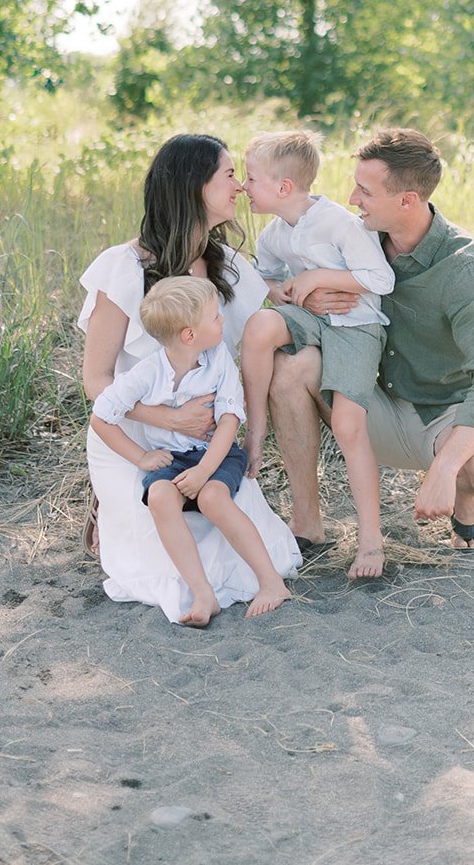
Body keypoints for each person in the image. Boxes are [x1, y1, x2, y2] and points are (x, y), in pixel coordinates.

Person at [79, 133, 300, 623]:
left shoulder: (229, 267)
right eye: (229, 175)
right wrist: (166, 419)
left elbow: (255, 345)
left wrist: (251, 431)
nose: (240, 186)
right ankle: (108, 505)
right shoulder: (124, 267)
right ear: (193, 186)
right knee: (164, 573)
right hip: (135, 434)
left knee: (256, 552)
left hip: (206, 439)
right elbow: (96, 379)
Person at [268, 127, 474, 554]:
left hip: (442, 416)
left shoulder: (465, 266)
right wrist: (306, 298)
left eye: (365, 191)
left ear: (407, 200)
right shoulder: (350, 238)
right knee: (291, 365)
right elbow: (286, 285)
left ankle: (465, 492)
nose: (352, 199)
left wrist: (445, 467)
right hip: (371, 405)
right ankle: (307, 521)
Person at [91, 276, 291, 625]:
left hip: (217, 453)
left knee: (213, 498)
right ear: (189, 335)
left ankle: (271, 582)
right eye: (215, 317)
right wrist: (141, 457)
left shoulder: (219, 359)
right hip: (173, 459)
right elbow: (101, 417)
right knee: (159, 497)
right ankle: (202, 592)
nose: (222, 320)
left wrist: (203, 471)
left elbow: (229, 421)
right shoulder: (148, 372)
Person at [240, 130, 394, 579]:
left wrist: (319, 278)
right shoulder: (273, 235)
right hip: (312, 318)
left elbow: (381, 280)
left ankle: (370, 540)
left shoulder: (339, 224)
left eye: (251, 178)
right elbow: (264, 277)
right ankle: (256, 427)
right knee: (260, 325)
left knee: (348, 424)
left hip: (356, 327)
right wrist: (282, 292)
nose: (243, 187)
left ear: (283, 187)